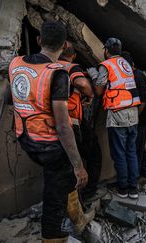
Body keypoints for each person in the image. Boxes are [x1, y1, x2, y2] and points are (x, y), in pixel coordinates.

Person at [8, 21, 93, 242]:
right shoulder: (57, 74)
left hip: (25, 138)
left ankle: (79, 218)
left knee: (62, 180)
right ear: (65, 45)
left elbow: (15, 97)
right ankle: (55, 235)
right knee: (54, 201)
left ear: (39, 40)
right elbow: (63, 126)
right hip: (49, 145)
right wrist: (78, 166)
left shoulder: (16, 63)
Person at [92, 37, 141, 199]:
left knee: (119, 153)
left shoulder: (107, 65)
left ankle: (123, 188)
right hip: (132, 113)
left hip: (118, 113)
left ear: (106, 50)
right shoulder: (125, 63)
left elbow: (99, 91)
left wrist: (93, 74)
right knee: (131, 152)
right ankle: (133, 188)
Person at [58, 42, 102, 202]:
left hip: (50, 122)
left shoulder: (48, 66)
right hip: (72, 121)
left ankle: (65, 200)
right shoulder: (72, 68)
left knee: (64, 163)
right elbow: (83, 84)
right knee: (93, 156)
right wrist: (90, 96)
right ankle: (87, 193)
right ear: (74, 56)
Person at [121, 51, 146, 183]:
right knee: (140, 147)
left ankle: (134, 180)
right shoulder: (130, 77)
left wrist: (133, 118)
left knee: (136, 150)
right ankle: (145, 173)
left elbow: (143, 101)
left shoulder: (138, 77)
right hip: (137, 120)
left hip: (141, 121)